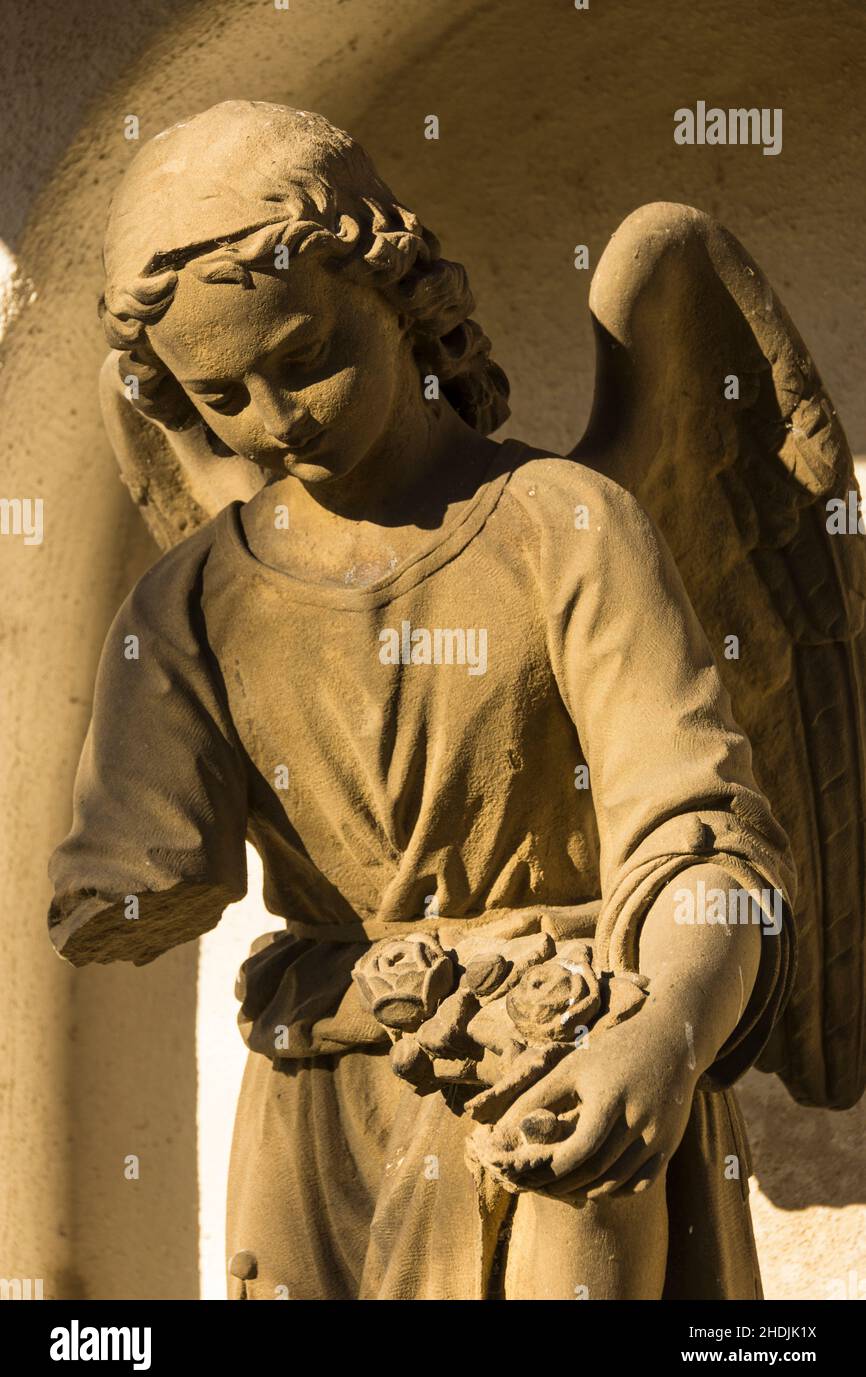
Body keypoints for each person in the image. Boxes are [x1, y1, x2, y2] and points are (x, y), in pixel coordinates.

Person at [49, 101, 794, 1299]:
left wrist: (662, 1039)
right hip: (328, 1120)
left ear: (400, 296)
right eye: (221, 396)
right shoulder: (190, 600)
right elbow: (134, 869)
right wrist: (121, 871)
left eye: (304, 361)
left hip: (574, 1073)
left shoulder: (565, 526)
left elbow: (705, 843)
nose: (276, 420)